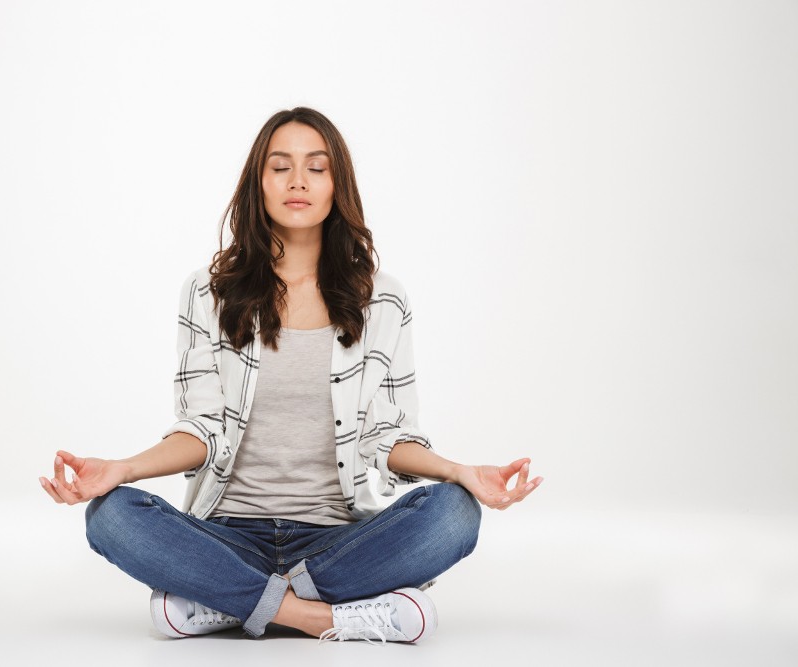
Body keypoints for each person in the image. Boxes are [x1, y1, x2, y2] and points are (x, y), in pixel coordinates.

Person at [39, 106, 542, 644]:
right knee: (110, 515)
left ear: (336, 185)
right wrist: (123, 468)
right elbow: (204, 426)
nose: (297, 181)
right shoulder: (208, 294)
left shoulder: (384, 300)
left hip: (336, 540)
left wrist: (458, 470)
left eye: (316, 167)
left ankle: (226, 601)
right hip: (228, 532)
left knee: (453, 514)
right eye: (280, 167)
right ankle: (320, 616)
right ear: (259, 183)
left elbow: (387, 435)